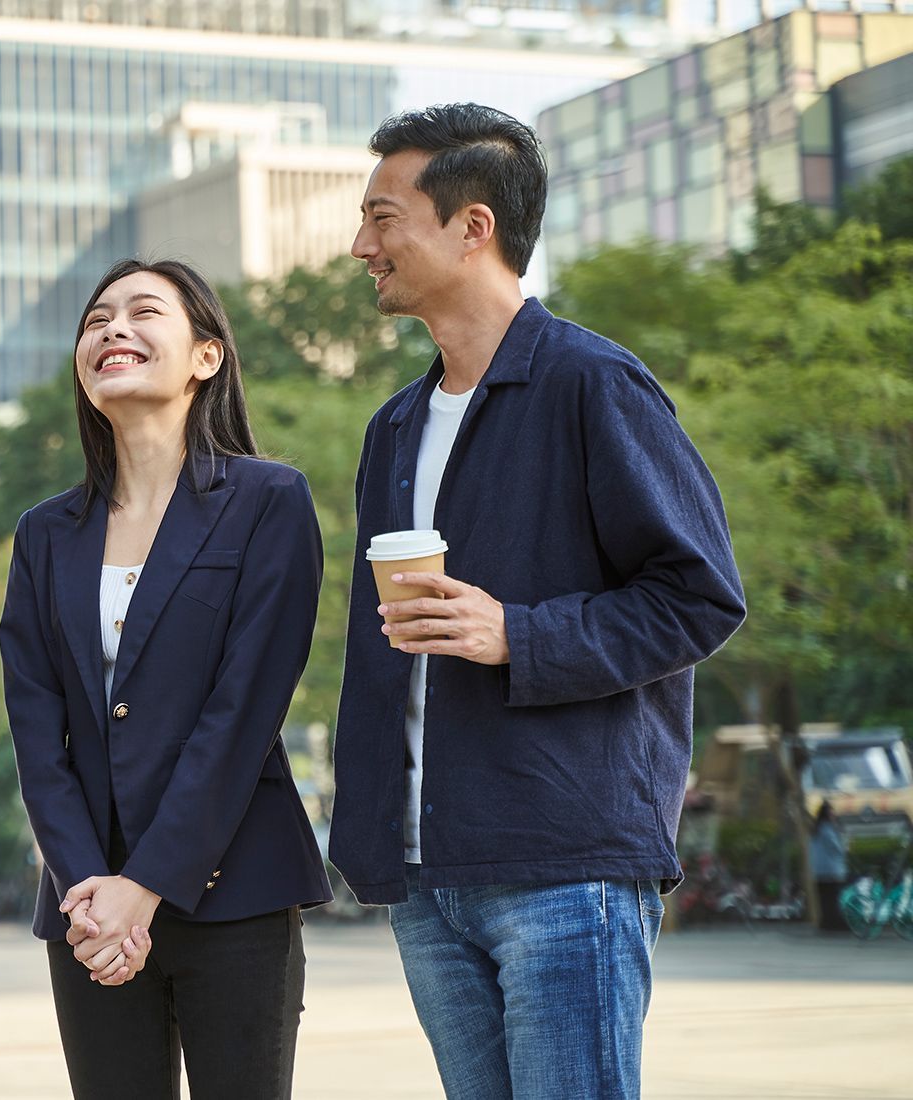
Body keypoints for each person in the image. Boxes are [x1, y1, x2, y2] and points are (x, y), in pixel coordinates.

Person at [328, 102, 746, 1100]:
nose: (360, 245)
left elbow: (698, 595)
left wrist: (516, 632)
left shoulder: (594, 384)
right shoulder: (392, 429)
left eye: (384, 217)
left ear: (473, 227)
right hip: (428, 878)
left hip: (567, 865)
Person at [0, 258, 332, 1099]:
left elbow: (242, 714)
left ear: (206, 357)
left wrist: (142, 889)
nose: (113, 328)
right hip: (90, 918)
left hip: (237, 894)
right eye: (96, 319)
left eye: (144, 312)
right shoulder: (44, 534)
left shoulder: (268, 501)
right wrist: (90, 896)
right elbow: (39, 740)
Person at [811, 802, 849, 933]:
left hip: (818, 871)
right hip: (832, 870)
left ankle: (826, 922)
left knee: (824, 899)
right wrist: (845, 843)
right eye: (832, 812)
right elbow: (837, 848)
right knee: (834, 898)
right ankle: (835, 922)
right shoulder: (828, 829)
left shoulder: (816, 829)